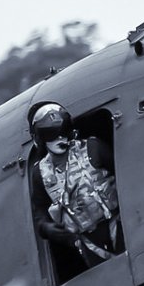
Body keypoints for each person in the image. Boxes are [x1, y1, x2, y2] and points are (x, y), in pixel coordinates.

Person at [28, 102, 120, 274]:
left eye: (62, 131)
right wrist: (47, 228)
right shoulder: (40, 174)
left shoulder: (93, 148)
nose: (60, 138)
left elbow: (123, 172)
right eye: (51, 135)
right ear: (41, 139)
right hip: (89, 244)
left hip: (118, 224)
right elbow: (39, 211)